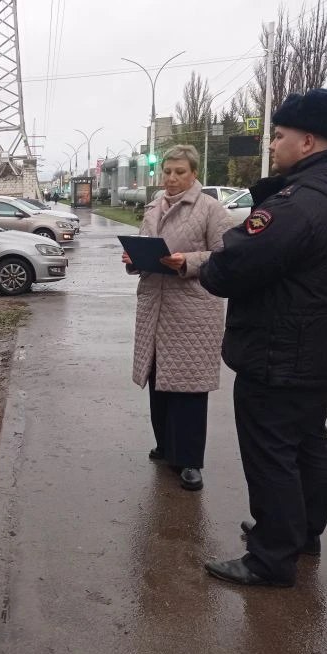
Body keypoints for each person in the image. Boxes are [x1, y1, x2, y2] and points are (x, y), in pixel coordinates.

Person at [199, 89, 327, 587]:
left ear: (308, 141)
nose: (272, 145)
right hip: (321, 345)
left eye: (279, 136)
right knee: (308, 441)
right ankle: (300, 533)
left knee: (271, 449)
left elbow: (233, 265)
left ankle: (271, 557)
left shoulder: (298, 205)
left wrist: (215, 262)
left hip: (282, 349)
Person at [122, 144, 233, 491]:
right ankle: (166, 445)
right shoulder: (154, 205)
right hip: (155, 304)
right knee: (159, 379)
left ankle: (189, 461)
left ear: (194, 173)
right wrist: (133, 259)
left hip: (192, 310)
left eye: (179, 172)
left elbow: (226, 255)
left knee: (188, 386)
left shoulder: (211, 208)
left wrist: (188, 261)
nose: (171, 178)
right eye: (167, 171)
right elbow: (144, 244)